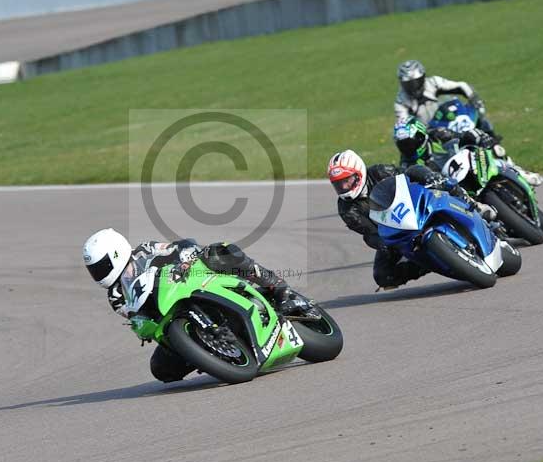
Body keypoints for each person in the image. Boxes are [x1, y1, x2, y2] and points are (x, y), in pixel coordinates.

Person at [82, 228, 310, 383]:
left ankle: (276, 286)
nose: (98, 274)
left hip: (192, 283)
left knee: (219, 251)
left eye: (101, 266)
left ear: (116, 252)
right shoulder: (115, 295)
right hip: (169, 319)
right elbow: (135, 318)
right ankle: (205, 352)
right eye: (95, 270)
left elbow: (181, 247)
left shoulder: (146, 251)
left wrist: (186, 261)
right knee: (160, 370)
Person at [328, 149, 496, 290]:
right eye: (338, 184)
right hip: (392, 233)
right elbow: (368, 233)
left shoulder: (380, 171)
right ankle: (432, 262)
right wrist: (382, 244)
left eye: (346, 181)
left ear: (359, 173)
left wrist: (428, 176)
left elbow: (409, 172)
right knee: (383, 276)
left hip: (414, 207)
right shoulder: (346, 209)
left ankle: (472, 204)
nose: (343, 187)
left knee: (443, 183)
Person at [394, 116, 541, 186]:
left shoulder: (437, 134)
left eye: (410, 142)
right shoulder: (407, 164)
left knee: (487, 145)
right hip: (452, 186)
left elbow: (462, 137)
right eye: (403, 145)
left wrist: (479, 137)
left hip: (469, 162)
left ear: (421, 136)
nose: (409, 148)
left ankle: (518, 171)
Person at [395, 60, 497, 137]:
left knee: (483, 123)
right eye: (409, 85)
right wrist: (427, 132)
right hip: (428, 135)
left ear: (423, 78)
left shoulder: (433, 82)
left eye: (416, 82)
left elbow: (461, 86)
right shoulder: (401, 101)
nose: (413, 87)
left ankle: (496, 147)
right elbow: (405, 125)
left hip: (449, 121)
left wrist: (475, 101)